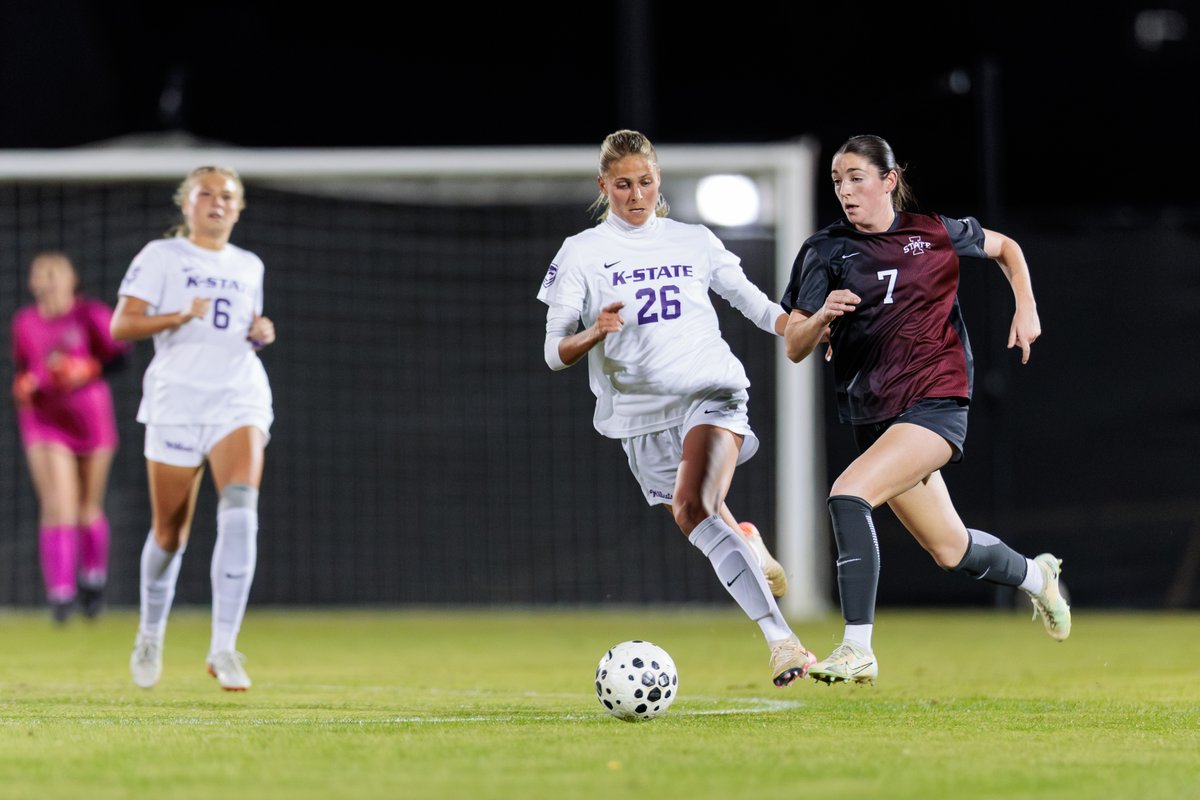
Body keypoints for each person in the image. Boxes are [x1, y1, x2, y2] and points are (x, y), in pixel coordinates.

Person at [781, 134, 1071, 686]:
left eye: (857, 178)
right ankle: (1039, 576)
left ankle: (856, 648)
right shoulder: (823, 251)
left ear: (889, 180)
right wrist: (820, 319)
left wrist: (1026, 307)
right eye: (838, 181)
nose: (846, 190)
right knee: (950, 547)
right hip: (875, 415)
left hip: (936, 401)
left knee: (848, 494)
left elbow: (1006, 247)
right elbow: (795, 345)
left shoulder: (931, 232)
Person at [537, 129, 815, 688]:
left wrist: (796, 324)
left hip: (712, 391)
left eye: (644, 182)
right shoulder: (582, 253)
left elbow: (752, 301)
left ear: (658, 180)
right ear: (603, 187)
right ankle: (748, 542)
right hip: (640, 417)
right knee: (696, 518)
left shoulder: (692, 239)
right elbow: (553, 352)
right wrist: (596, 330)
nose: (635, 195)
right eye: (622, 185)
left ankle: (783, 642)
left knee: (695, 502)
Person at [111, 165, 275, 691]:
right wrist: (177, 316)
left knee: (241, 511)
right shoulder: (162, 257)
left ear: (239, 207)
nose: (218, 203)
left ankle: (224, 647)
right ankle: (150, 631)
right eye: (206, 194)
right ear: (187, 203)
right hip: (177, 402)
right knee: (169, 533)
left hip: (238, 397)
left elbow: (241, 329)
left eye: (228, 196)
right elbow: (122, 324)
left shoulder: (249, 264)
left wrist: (260, 332)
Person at [11, 252, 130, 623]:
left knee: (87, 507)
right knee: (58, 504)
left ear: (71, 279)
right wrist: (24, 384)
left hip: (92, 421)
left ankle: (92, 583)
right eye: (40, 273)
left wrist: (85, 368)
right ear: (31, 282)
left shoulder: (90, 314)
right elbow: (22, 369)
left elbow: (119, 358)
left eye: (55, 273)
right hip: (45, 422)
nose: (47, 280)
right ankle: (60, 596)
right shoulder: (24, 322)